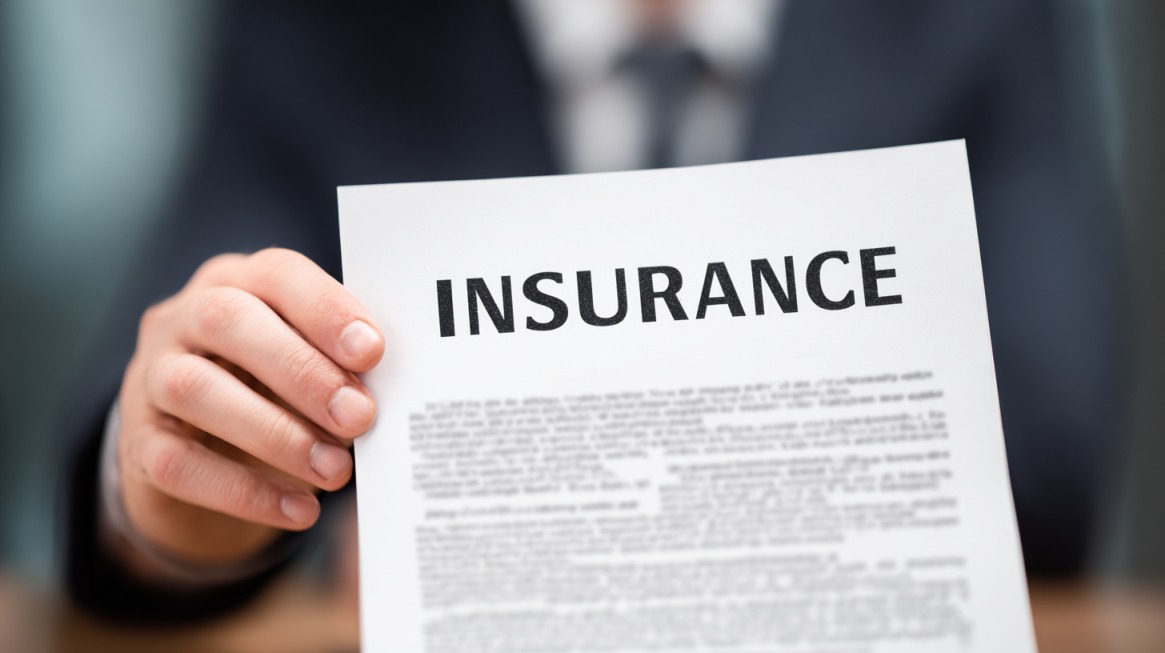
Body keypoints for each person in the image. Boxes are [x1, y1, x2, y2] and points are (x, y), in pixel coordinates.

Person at [62, 0, 1127, 622]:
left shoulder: (969, 17)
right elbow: (164, 411)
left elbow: (1048, 462)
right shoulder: (324, 26)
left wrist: (549, 539)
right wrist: (176, 497)